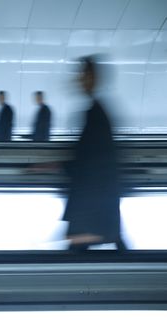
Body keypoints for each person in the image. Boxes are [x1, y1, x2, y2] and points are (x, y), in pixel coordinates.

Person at [62, 55, 125, 252]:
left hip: (90, 215)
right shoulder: (98, 112)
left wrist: (88, 224)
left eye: (82, 74)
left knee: (75, 263)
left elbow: (94, 166)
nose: (79, 79)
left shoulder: (95, 114)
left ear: (93, 77)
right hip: (97, 216)